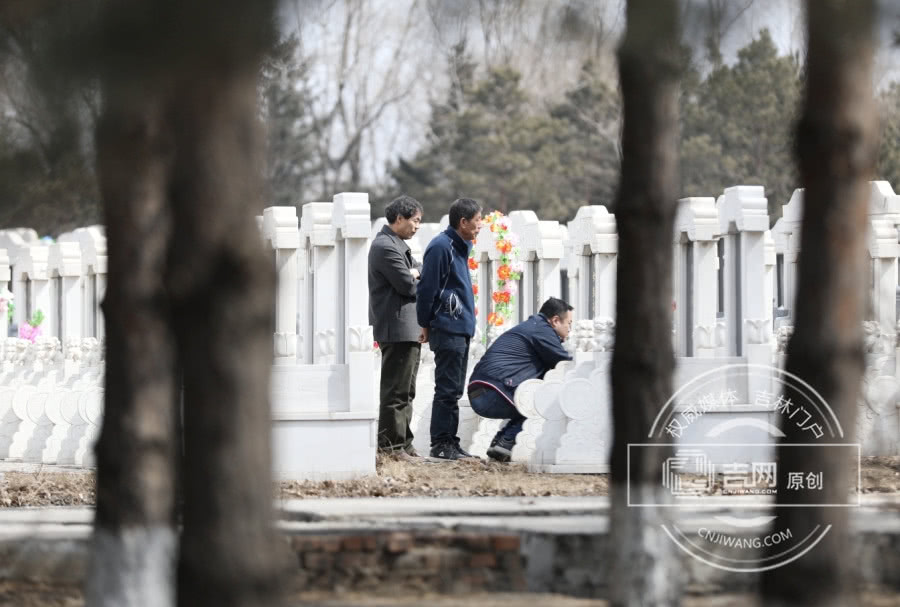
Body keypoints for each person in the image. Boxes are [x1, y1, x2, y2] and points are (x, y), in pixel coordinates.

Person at [467, 297, 574, 462]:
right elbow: (565, 363)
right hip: (492, 392)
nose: (570, 329)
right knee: (544, 399)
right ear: (555, 320)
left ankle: (500, 443)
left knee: (534, 393)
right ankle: (508, 440)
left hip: (482, 390)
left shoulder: (533, 327)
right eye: (569, 324)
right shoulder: (542, 330)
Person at [416, 197, 483, 461]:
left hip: (460, 328)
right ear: (463, 222)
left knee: (454, 389)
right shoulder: (441, 247)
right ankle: (441, 444)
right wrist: (425, 323)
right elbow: (427, 289)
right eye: (477, 221)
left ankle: (450, 443)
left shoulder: (459, 247)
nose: (480, 226)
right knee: (447, 389)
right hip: (448, 327)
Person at [368, 195, 424, 457]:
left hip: (408, 327)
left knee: (407, 390)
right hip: (397, 327)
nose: (417, 226)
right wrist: (413, 274)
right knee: (395, 391)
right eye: (415, 220)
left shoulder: (397, 244)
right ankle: (390, 446)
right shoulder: (385, 246)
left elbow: (416, 271)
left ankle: (404, 442)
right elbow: (407, 284)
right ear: (399, 218)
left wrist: (414, 272)